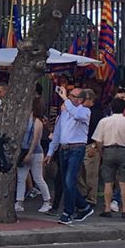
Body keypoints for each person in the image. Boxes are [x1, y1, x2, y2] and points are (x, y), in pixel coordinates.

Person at [48, 85, 95, 224]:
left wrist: (64, 99)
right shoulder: (65, 112)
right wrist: (51, 151)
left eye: (73, 96)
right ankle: (83, 206)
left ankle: (67, 212)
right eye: (69, 95)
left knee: (70, 181)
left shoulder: (85, 111)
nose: (69, 98)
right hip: (64, 149)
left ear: (80, 99)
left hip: (76, 148)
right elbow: (58, 131)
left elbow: (77, 115)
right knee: (66, 182)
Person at [91, 95, 125, 221]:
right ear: (124, 108)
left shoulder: (104, 121)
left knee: (108, 182)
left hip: (109, 150)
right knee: (124, 183)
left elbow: (98, 140)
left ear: (111, 107)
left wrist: (101, 153)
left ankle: (107, 208)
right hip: (124, 151)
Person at [12, 97, 52, 213]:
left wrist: (29, 154)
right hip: (24, 150)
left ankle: (47, 201)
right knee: (21, 178)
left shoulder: (37, 121)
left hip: (35, 152)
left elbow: (35, 140)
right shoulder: (25, 119)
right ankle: (19, 202)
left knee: (38, 178)